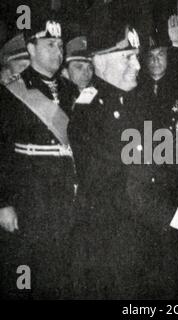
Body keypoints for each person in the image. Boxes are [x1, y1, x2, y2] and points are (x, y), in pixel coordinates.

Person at [0, 16, 78, 299]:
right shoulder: (11, 93)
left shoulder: (71, 91)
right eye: (49, 44)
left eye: (59, 45)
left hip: (67, 197)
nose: (58, 52)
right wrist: (3, 203)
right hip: (32, 198)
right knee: (33, 274)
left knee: (64, 273)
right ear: (30, 49)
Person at [68, 23, 143, 299]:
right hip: (106, 240)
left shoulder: (130, 102)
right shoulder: (89, 110)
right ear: (99, 62)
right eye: (127, 57)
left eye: (136, 56)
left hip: (130, 234)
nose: (137, 64)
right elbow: (112, 180)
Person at [125, 15, 178, 299]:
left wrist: (177, 46)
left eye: (160, 55)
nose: (155, 61)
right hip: (141, 176)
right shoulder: (134, 90)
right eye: (149, 56)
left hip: (172, 176)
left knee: (171, 245)